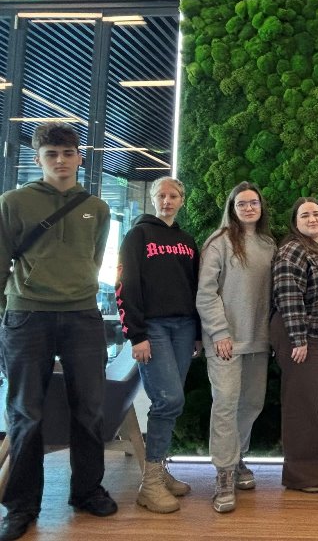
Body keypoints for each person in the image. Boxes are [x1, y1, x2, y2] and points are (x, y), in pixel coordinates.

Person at [0, 123, 117, 541]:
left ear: (80, 157)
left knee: (90, 409)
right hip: (27, 316)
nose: (61, 161)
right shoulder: (13, 203)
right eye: (51, 154)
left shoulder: (97, 208)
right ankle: (21, 506)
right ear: (38, 159)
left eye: (68, 153)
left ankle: (86, 491)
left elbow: (93, 259)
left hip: (82, 315)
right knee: (25, 413)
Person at [116, 176, 199, 514]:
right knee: (169, 398)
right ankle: (149, 483)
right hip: (153, 328)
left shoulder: (187, 240)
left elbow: (194, 286)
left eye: (173, 196)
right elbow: (125, 284)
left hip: (184, 328)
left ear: (182, 200)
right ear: (153, 198)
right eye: (161, 195)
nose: (167, 200)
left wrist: (198, 332)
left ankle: (159, 470)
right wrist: (136, 335)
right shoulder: (137, 235)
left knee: (170, 403)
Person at [196, 182, 276, 513]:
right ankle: (224, 473)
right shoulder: (219, 242)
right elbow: (206, 293)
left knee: (252, 403)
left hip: (258, 340)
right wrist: (219, 333)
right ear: (232, 208)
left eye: (253, 202)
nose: (248, 208)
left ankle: (238, 456)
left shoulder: (269, 244)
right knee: (226, 404)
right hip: (225, 341)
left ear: (261, 206)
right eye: (241, 203)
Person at [270, 197, 318, 493]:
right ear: (295, 221)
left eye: (316, 213)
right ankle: (303, 474)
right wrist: (298, 338)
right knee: (301, 405)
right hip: (303, 338)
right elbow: (288, 295)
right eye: (305, 215)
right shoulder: (292, 249)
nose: (312, 219)